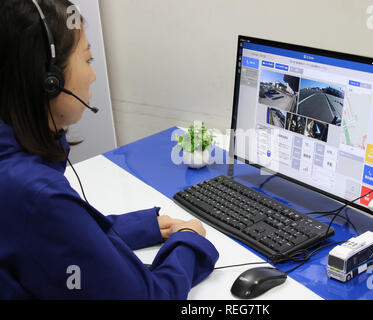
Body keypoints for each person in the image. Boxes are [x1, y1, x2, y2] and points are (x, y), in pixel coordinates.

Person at [0, 0, 219, 299]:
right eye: (87, 60)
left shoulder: (18, 176)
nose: (92, 75)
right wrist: (190, 242)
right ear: (49, 80)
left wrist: (147, 227)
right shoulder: (37, 196)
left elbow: (61, 238)